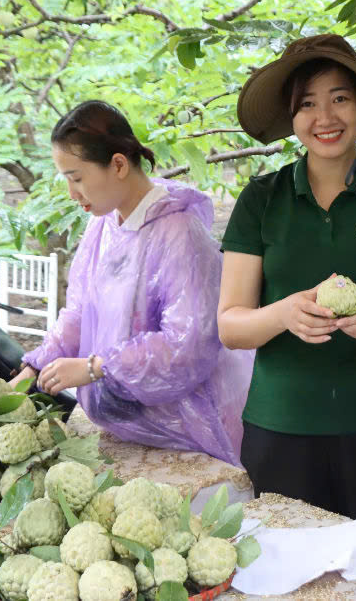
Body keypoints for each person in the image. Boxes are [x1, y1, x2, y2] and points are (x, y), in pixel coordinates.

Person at [217, 34, 356, 518]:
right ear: (292, 117)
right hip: (281, 430)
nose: (325, 118)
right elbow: (230, 327)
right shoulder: (261, 200)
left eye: (339, 98)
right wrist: (284, 313)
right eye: (307, 104)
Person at [13, 100, 252, 466]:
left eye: (77, 178)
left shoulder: (180, 233)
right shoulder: (104, 225)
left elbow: (186, 347)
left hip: (194, 431)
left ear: (119, 164)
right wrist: (32, 368)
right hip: (129, 423)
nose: (72, 193)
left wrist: (97, 367)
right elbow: (80, 311)